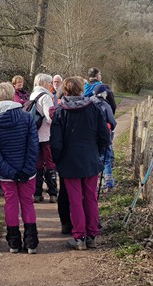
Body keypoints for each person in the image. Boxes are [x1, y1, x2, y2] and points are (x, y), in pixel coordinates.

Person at [50, 76, 110, 250]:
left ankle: (79, 237)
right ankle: (91, 234)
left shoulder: (60, 111)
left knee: (75, 200)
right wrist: (96, 151)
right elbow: (104, 137)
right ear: (81, 90)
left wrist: (57, 159)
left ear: (65, 91)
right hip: (90, 160)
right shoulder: (93, 108)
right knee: (90, 198)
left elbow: (56, 142)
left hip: (69, 162)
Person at [0, 82, 40, 254]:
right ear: (12, 95)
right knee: (27, 203)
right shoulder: (27, 118)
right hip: (27, 171)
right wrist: (26, 169)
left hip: (7, 173)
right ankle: (31, 242)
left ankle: (14, 243)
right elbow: (33, 146)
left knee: (10, 204)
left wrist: (8, 171)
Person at [84, 68, 118, 191]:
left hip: (90, 132)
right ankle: (108, 182)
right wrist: (110, 124)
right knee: (106, 155)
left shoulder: (84, 90)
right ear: (97, 76)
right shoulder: (104, 91)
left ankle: (93, 181)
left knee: (94, 155)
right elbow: (113, 109)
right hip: (105, 130)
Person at [29, 73, 58, 204]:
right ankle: (52, 193)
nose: (51, 85)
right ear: (45, 83)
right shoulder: (46, 97)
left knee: (38, 165)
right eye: (50, 82)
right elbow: (49, 117)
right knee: (50, 164)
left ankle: (37, 193)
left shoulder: (33, 94)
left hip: (34, 135)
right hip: (46, 135)